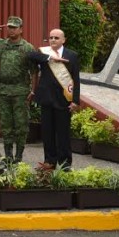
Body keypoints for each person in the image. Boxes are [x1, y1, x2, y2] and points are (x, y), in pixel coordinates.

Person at [0, 16, 35, 163]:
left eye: (14, 27)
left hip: (20, 90)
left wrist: (33, 90)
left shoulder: (27, 47)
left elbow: (35, 71)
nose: (11, 30)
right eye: (9, 27)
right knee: (5, 124)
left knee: (21, 124)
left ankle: (19, 156)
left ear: (21, 29)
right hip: (4, 89)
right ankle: (8, 156)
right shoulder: (1, 45)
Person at [26, 29, 81, 170]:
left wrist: (75, 101)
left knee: (63, 134)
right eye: (50, 37)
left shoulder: (72, 55)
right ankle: (49, 161)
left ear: (63, 40)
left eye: (56, 37)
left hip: (64, 100)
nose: (53, 40)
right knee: (47, 133)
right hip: (47, 99)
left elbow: (75, 79)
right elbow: (29, 55)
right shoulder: (44, 53)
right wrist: (50, 58)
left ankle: (65, 163)